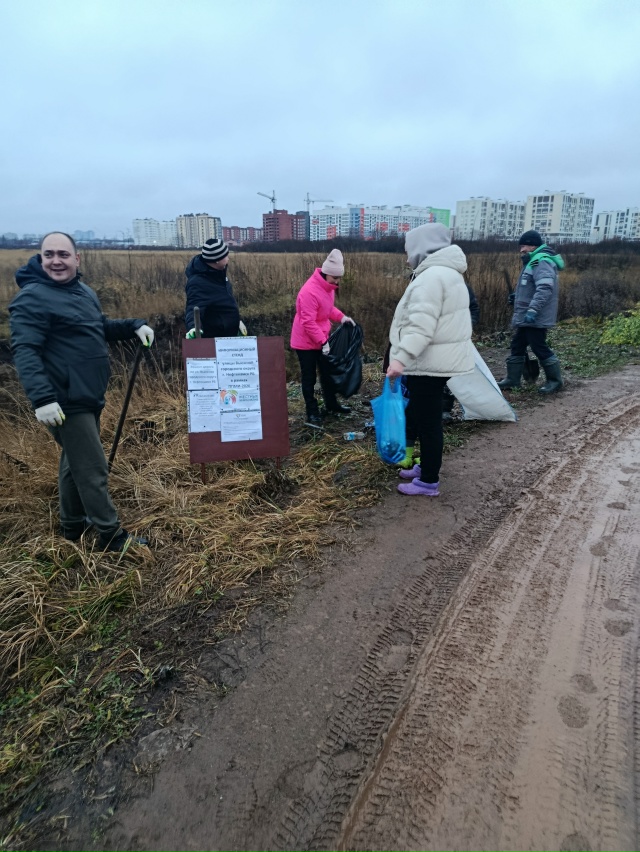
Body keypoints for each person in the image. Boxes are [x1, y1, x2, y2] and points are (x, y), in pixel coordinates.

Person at [9, 232, 154, 551]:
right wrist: (43, 399)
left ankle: (72, 525)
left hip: (88, 394)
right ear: (41, 259)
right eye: (49, 255)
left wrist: (133, 325)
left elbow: (97, 328)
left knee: (73, 461)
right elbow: (26, 350)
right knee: (92, 468)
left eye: (63, 254)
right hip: (64, 400)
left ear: (77, 258)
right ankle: (111, 536)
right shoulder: (32, 297)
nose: (56, 261)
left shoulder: (83, 291)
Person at [386, 223, 474, 496]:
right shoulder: (448, 273)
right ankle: (425, 468)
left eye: (408, 251)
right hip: (438, 360)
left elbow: (420, 327)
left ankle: (428, 481)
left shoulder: (431, 277)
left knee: (429, 423)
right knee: (426, 417)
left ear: (421, 248)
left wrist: (399, 359)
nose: (406, 258)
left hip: (428, 363)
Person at [290, 248, 356, 428]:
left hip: (321, 338)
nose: (337, 281)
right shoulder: (309, 292)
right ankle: (312, 412)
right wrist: (324, 342)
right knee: (309, 377)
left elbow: (327, 309)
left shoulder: (328, 287)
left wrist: (342, 317)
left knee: (327, 374)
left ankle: (331, 405)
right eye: (335, 277)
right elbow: (308, 321)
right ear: (326, 273)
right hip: (305, 343)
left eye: (339, 278)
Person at [497, 229, 565, 394]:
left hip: (536, 316)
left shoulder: (541, 262)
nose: (521, 250)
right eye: (521, 246)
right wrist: (517, 297)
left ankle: (555, 381)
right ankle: (513, 380)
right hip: (527, 315)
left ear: (533, 245)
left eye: (524, 246)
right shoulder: (532, 261)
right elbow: (530, 287)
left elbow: (545, 288)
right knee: (517, 344)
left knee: (538, 346)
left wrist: (533, 309)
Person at [184, 237, 247, 339]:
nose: (228, 258)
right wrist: (193, 328)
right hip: (213, 341)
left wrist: (237, 322)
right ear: (217, 260)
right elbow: (193, 308)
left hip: (229, 337)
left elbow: (225, 303)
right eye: (225, 255)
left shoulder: (219, 274)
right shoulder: (198, 283)